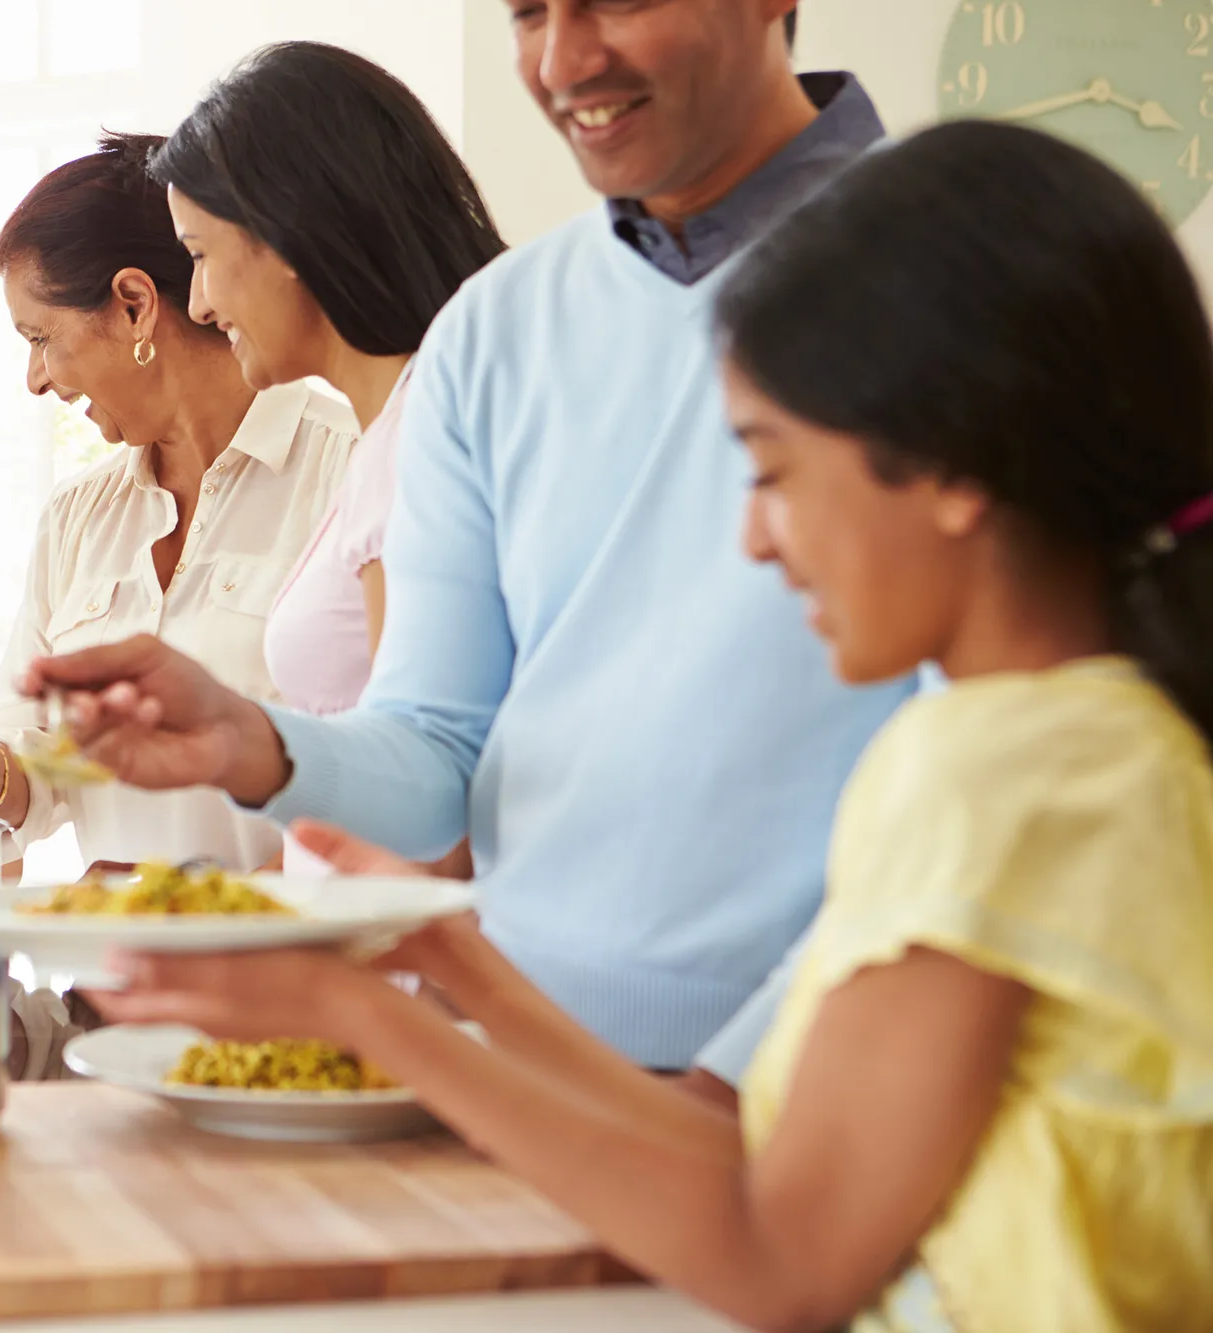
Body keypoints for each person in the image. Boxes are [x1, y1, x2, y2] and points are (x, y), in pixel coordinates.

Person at [97, 121, 1213, 1332]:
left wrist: (355, 1013)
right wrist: (450, 961)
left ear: (949, 468)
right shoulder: (1097, 742)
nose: (752, 539)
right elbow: (724, 1143)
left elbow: (781, 1259)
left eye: (773, 472)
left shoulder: (994, 771)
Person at [20, 0, 910, 1095]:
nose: (563, 59)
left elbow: (1013, 750)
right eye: (529, 12)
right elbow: (440, 756)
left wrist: (732, 1077)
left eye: (616, 3)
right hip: (521, 1069)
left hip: (827, 1076)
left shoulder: (964, 268)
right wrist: (250, 742)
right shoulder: (495, 329)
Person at [0, 132, 358, 875]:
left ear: (135, 305)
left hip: (300, 972)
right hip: (117, 980)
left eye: (41, 337)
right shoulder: (79, 516)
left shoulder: (348, 470)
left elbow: (394, 777)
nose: (35, 379)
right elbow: (39, 774)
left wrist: (198, 913)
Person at [152, 41, 504, 722]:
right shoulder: (396, 432)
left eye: (200, 255)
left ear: (286, 236)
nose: (197, 304)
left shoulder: (418, 446)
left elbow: (429, 784)